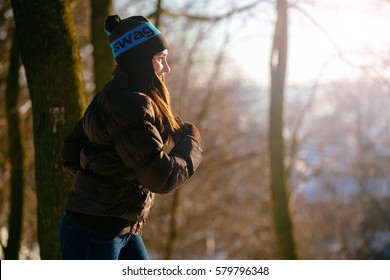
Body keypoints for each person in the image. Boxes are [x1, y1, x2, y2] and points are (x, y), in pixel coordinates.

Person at [58, 15, 203, 260]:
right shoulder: (129, 104)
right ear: (139, 62)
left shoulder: (114, 94)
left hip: (121, 230)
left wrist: (109, 177)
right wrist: (193, 144)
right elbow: (160, 177)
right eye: (160, 59)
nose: (167, 68)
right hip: (94, 232)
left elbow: (71, 153)